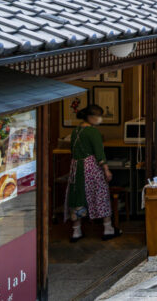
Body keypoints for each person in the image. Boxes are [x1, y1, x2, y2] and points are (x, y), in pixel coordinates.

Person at [65, 104, 120, 242]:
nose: (100, 119)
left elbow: (72, 149)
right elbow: (99, 153)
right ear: (90, 117)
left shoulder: (75, 131)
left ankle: (76, 232)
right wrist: (106, 170)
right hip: (91, 167)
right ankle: (108, 229)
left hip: (76, 167)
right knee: (100, 194)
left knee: (77, 196)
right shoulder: (93, 132)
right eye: (98, 116)